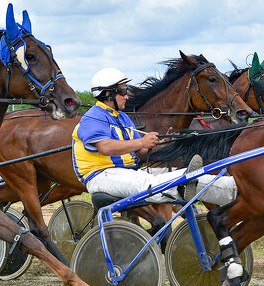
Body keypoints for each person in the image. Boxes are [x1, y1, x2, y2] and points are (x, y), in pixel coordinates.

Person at [72, 67, 238, 206]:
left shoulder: (122, 117)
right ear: (108, 94)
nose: (127, 96)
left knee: (184, 172)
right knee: (155, 184)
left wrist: (159, 143)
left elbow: (139, 151)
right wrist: (141, 141)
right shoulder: (93, 117)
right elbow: (106, 147)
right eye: (123, 91)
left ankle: (236, 190)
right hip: (101, 176)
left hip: (128, 172)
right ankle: (188, 187)